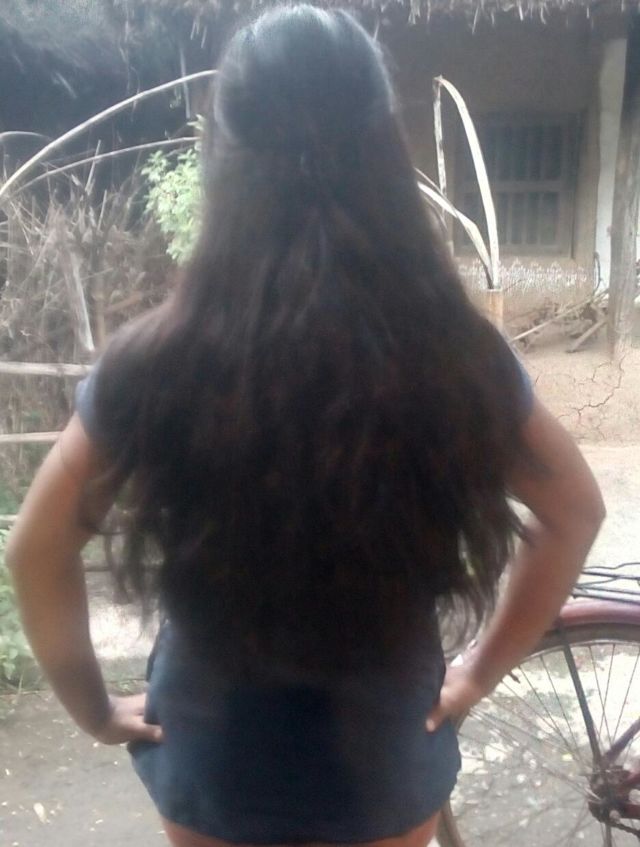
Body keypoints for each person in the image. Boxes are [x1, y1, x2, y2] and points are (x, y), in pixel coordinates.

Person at [6, 6, 605, 847]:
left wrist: (96, 710)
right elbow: (576, 510)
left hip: (215, 763)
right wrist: (476, 673)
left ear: (224, 155)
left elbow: (35, 550)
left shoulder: (157, 363)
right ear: (385, 150)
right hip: (383, 764)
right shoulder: (457, 358)